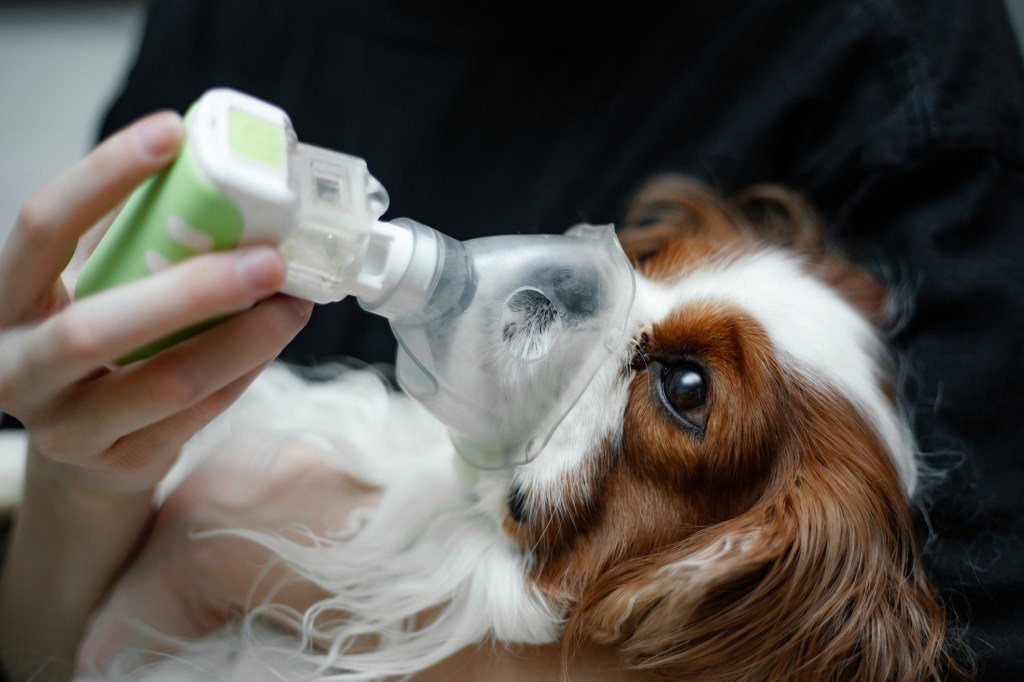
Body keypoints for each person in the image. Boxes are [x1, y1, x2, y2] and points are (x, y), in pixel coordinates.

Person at [2, 0, 1023, 678]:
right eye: (647, 263)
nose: (589, 310)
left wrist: (237, 559)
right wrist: (82, 474)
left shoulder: (893, 56)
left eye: (683, 390)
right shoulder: (235, 21)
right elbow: (47, 648)